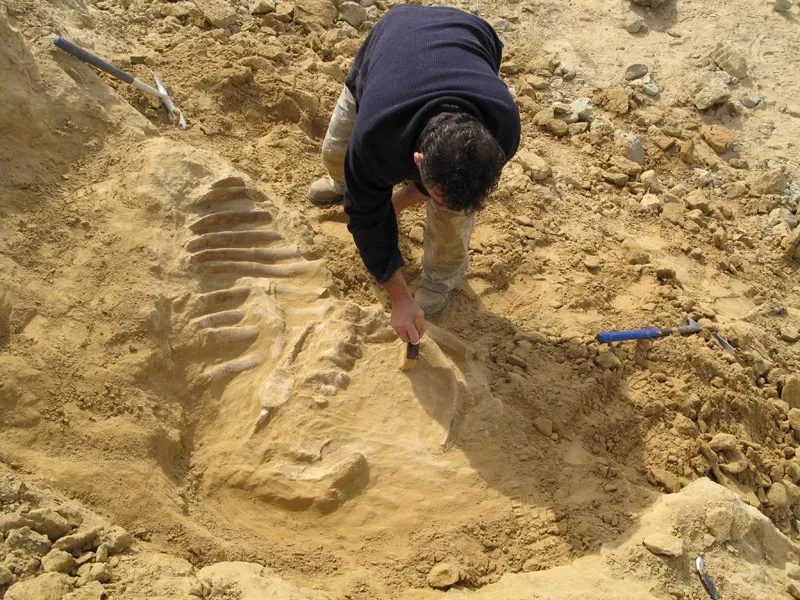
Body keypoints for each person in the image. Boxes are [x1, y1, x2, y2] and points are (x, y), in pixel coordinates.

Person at [307, 4, 521, 344]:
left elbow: (456, 188)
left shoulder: (502, 128)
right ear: (417, 160)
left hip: (470, 35)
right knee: (336, 152)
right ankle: (341, 181)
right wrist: (400, 298)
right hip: (394, 38)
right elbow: (365, 217)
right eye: (431, 190)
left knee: (452, 218)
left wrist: (399, 203)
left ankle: (441, 279)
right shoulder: (375, 136)